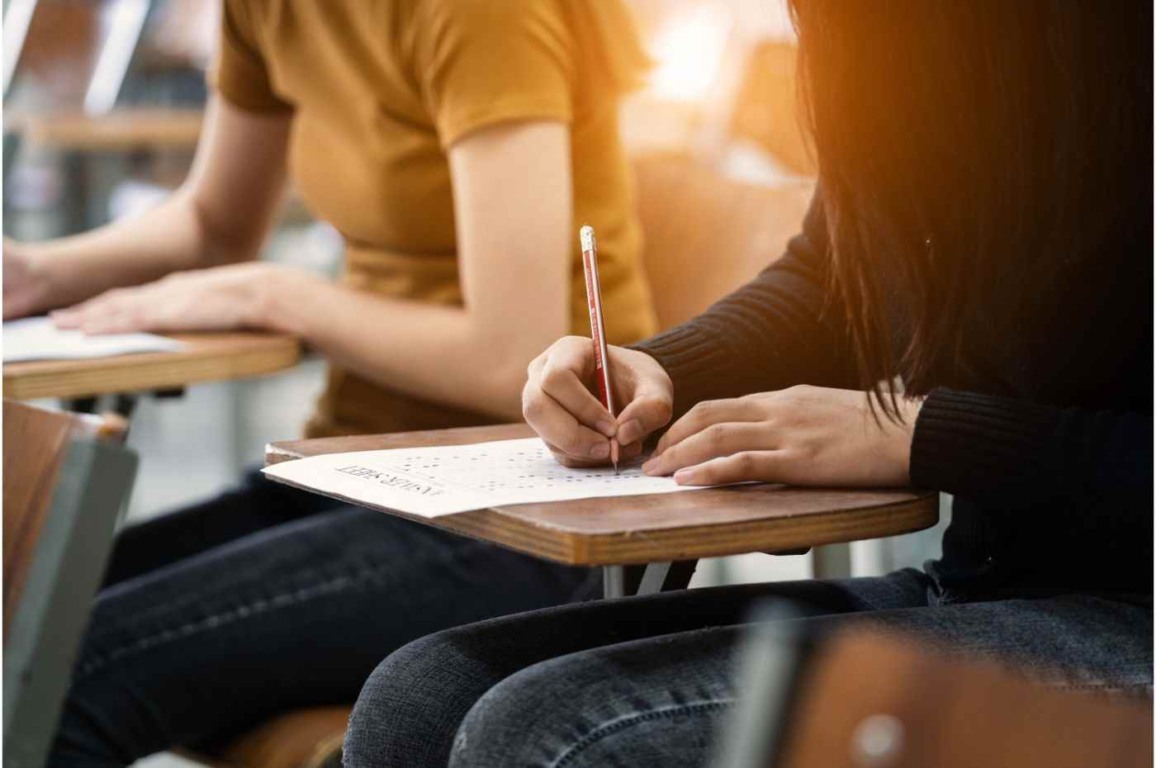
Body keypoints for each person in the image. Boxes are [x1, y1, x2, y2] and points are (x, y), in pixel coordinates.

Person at [341, 1, 1153, 766]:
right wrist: (660, 370)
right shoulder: (902, 46)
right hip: (993, 587)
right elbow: (839, 280)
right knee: (420, 695)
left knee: (552, 735)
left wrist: (922, 434)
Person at [25, 1, 658, 764]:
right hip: (356, 470)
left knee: (62, 667)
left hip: (520, 505)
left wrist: (273, 294)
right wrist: (34, 271)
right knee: (27, 616)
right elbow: (215, 222)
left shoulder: (482, 15)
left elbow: (508, 358)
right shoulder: (262, 10)